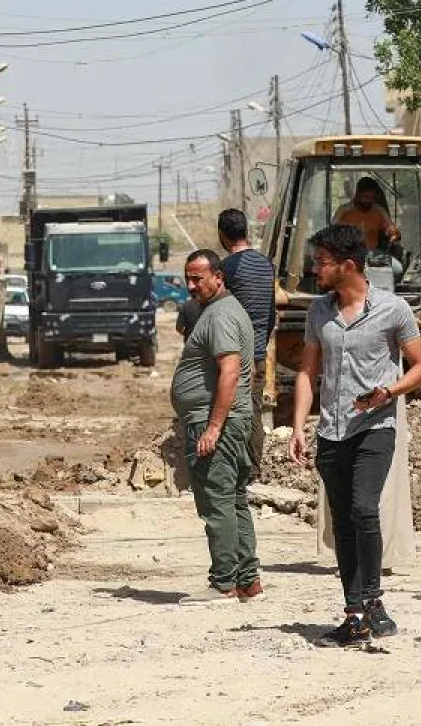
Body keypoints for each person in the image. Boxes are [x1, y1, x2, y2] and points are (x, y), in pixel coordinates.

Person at [289, 224, 421, 647]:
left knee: (364, 508)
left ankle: (372, 599)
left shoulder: (393, 310)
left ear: (347, 265)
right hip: (332, 432)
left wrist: (388, 391)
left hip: (376, 428)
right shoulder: (319, 312)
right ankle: (355, 612)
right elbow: (306, 371)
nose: (315, 269)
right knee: (344, 523)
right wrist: (299, 425)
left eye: (321, 262)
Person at [170, 250, 261, 604]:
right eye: (188, 278)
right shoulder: (222, 310)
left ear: (218, 276)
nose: (191, 286)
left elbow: (231, 372)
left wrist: (213, 427)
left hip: (215, 421)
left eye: (199, 278)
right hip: (226, 419)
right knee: (233, 497)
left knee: (217, 500)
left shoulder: (221, 315)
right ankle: (247, 580)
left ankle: (223, 582)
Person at [218, 209, 276, 475]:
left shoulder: (227, 268)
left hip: (235, 354)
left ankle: (243, 470)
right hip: (259, 351)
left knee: (234, 410)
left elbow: (219, 312)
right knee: (253, 406)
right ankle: (254, 467)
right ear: (246, 232)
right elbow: (272, 311)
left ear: (222, 235)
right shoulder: (266, 264)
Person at [332, 177, 400, 251]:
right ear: (357, 194)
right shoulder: (344, 210)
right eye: (365, 197)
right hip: (348, 255)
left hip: (371, 255)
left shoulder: (379, 211)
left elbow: (392, 230)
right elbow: (331, 232)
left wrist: (393, 236)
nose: (368, 200)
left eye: (371, 198)